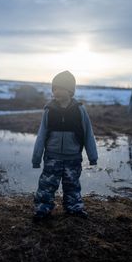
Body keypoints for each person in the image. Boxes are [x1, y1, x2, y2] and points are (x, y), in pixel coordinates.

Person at [32, 70, 98, 222]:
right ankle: (43, 209)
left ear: (70, 91)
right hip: (52, 157)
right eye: (54, 88)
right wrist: (36, 158)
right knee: (46, 186)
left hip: (73, 158)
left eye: (60, 88)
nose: (56, 91)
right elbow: (41, 135)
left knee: (72, 185)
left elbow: (88, 133)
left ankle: (74, 208)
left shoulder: (79, 110)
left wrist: (92, 157)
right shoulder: (49, 111)